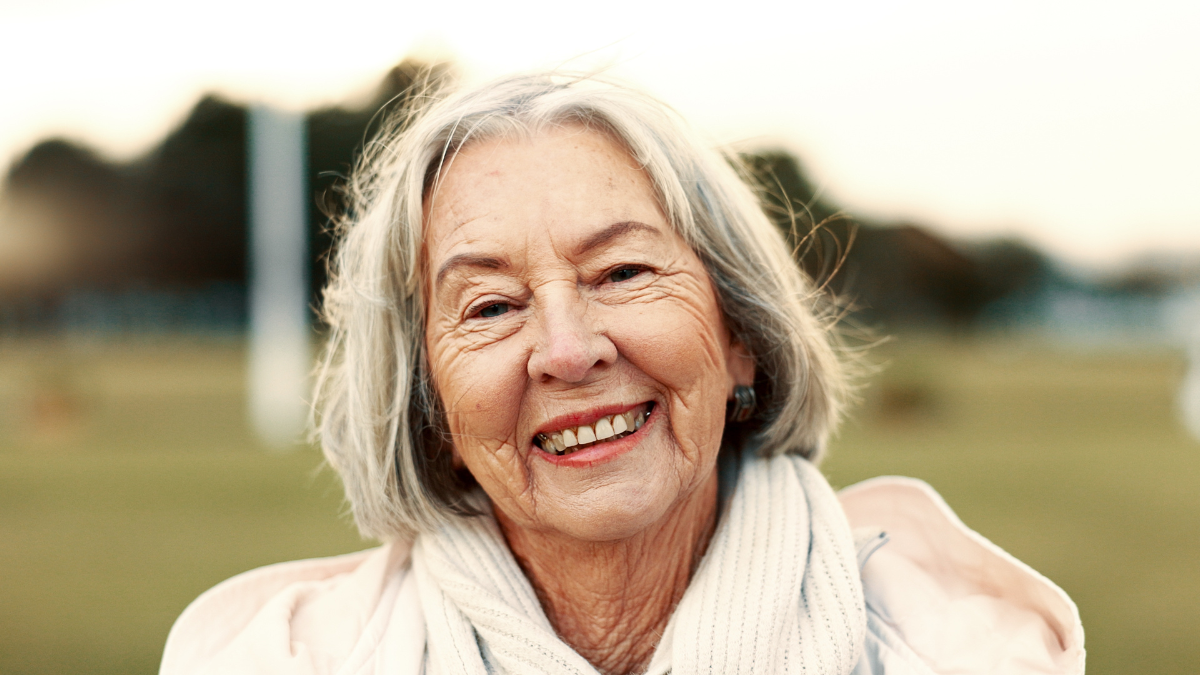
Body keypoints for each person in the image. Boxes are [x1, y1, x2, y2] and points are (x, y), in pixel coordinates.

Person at [160, 73, 1085, 675]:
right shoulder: (272, 657)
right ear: (429, 400)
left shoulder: (970, 647)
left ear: (741, 335)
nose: (568, 349)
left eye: (623, 273)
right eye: (489, 306)